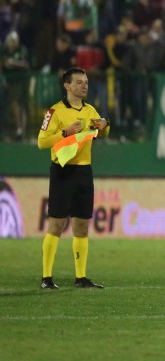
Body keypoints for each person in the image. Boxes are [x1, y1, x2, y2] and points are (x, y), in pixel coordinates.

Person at [36, 67, 111, 290]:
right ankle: (46, 278)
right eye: (79, 82)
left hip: (84, 172)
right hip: (63, 170)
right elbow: (41, 142)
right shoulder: (55, 112)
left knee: (82, 226)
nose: (84, 85)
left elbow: (100, 132)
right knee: (56, 224)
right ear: (67, 86)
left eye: (86, 81)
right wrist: (65, 133)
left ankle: (81, 278)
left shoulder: (90, 110)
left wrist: (105, 126)